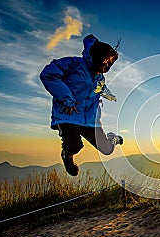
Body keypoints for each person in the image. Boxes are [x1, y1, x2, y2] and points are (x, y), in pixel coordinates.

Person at [40, 34, 123, 176]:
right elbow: (48, 74)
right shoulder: (73, 64)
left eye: (110, 64)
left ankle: (112, 138)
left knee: (107, 150)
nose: (107, 66)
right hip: (69, 115)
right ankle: (67, 157)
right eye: (106, 62)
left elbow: (97, 90)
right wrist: (67, 99)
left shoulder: (100, 77)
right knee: (74, 145)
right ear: (97, 56)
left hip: (90, 120)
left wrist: (108, 95)